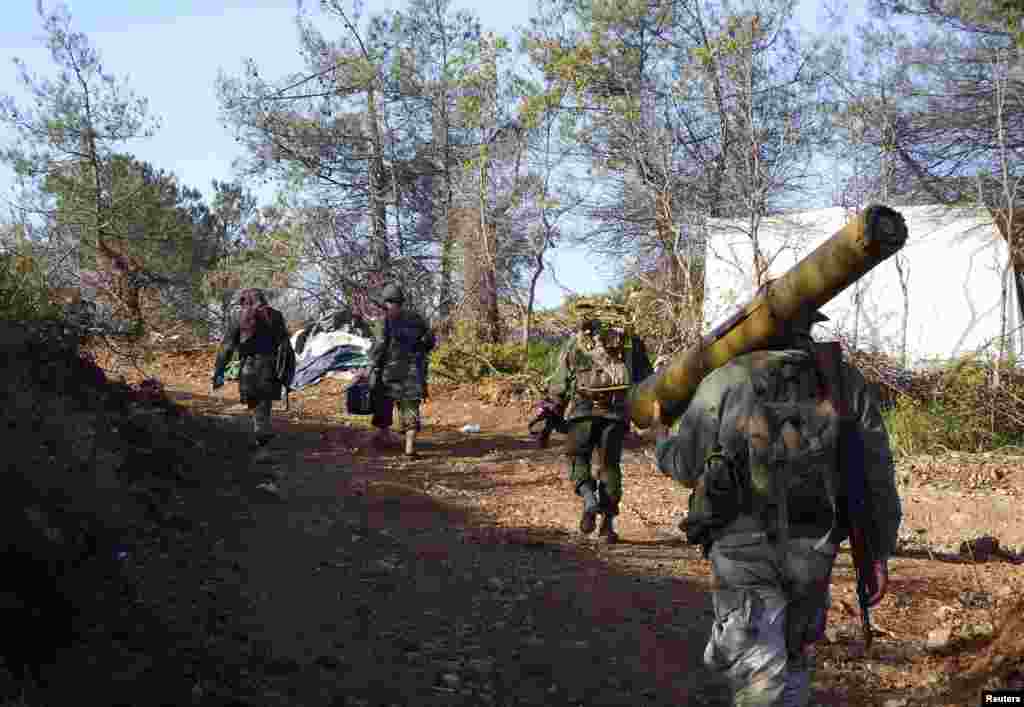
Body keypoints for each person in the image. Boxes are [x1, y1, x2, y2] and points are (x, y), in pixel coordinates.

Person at [650, 305, 902, 707]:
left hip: (742, 548)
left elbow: (684, 464)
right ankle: (735, 650)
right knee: (795, 657)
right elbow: (875, 472)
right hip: (815, 547)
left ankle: (732, 648)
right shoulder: (843, 380)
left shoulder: (726, 378)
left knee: (760, 672)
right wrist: (877, 551)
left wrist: (661, 437)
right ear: (808, 328)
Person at [544, 299, 653, 544]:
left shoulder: (578, 341)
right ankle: (607, 526)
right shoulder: (630, 342)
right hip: (615, 414)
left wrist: (552, 410)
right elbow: (647, 381)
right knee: (610, 467)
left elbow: (560, 383)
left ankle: (588, 498)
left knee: (577, 458)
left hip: (582, 411)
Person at [211, 288, 292, 454]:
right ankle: (263, 439)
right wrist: (286, 373)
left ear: (245, 301)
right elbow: (285, 346)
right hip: (270, 368)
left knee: (257, 407)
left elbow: (227, 347)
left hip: (249, 368)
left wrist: (219, 372)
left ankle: (263, 444)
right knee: (263, 408)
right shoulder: (275, 316)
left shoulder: (238, 317)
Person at [367, 284, 436, 458]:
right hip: (413, 371)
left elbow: (380, 345)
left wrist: (370, 365)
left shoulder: (384, 321)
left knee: (383, 402)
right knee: (411, 406)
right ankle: (409, 447)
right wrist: (419, 351)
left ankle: (383, 437)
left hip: (390, 372)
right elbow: (430, 341)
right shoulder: (416, 318)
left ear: (387, 302)